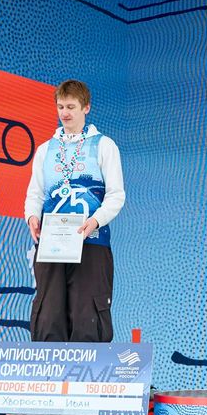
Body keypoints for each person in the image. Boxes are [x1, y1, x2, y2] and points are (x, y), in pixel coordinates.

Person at [24, 79, 125, 342]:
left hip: (90, 240)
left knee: (87, 312)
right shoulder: (45, 149)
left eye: (71, 107)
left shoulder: (104, 145)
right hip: (52, 242)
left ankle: (89, 365)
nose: (65, 113)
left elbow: (116, 195)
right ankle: (49, 364)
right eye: (61, 107)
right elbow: (35, 193)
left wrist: (96, 221)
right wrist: (32, 216)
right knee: (49, 311)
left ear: (86, 108)